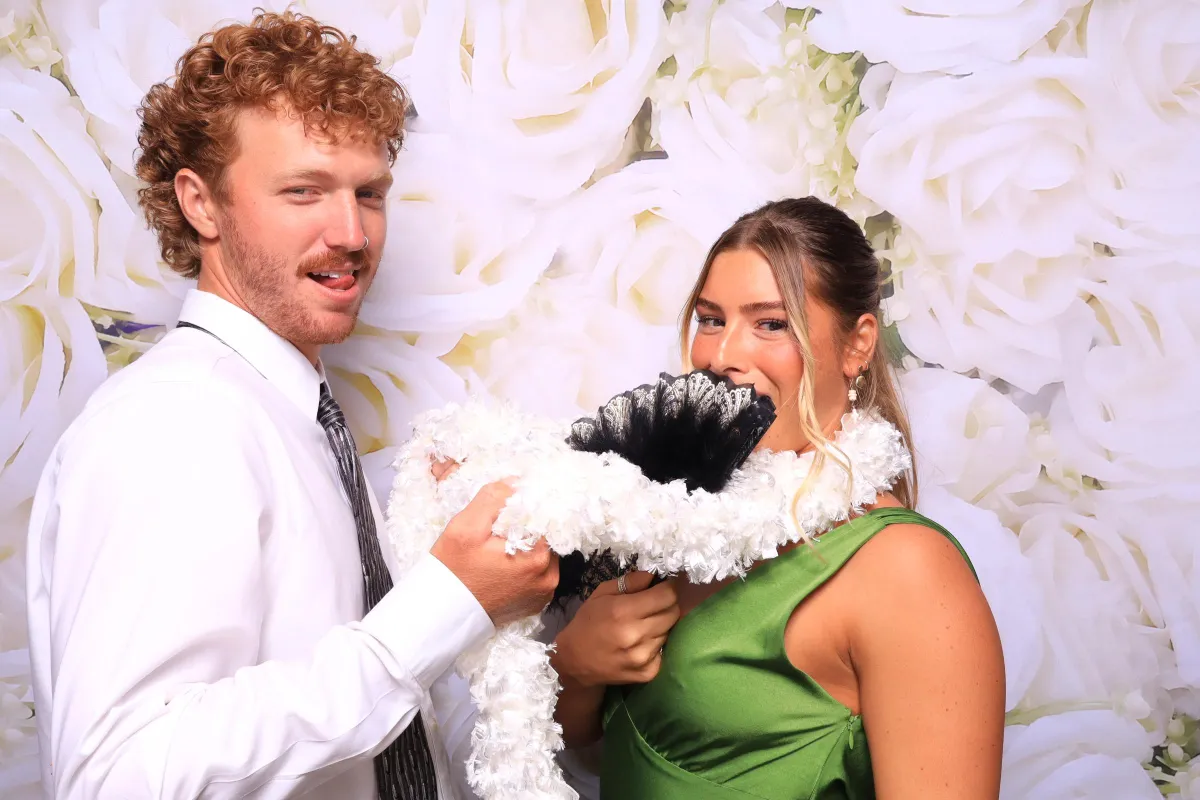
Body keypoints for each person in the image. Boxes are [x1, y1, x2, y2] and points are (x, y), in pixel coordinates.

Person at [24, 11, 557, 800]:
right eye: (304, 190)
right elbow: (118, 778)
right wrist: (448, 602)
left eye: (368, 192)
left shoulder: (296, 419)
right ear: (201, 205)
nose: (350, 233)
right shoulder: (176, 424)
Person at [549, 197, 1006, 799]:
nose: (723, 357)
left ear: (857, 344)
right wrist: (576, 668)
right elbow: (603, 740)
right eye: (711, 320)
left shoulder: (909, 572)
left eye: (771, 323)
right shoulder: (680, 523)